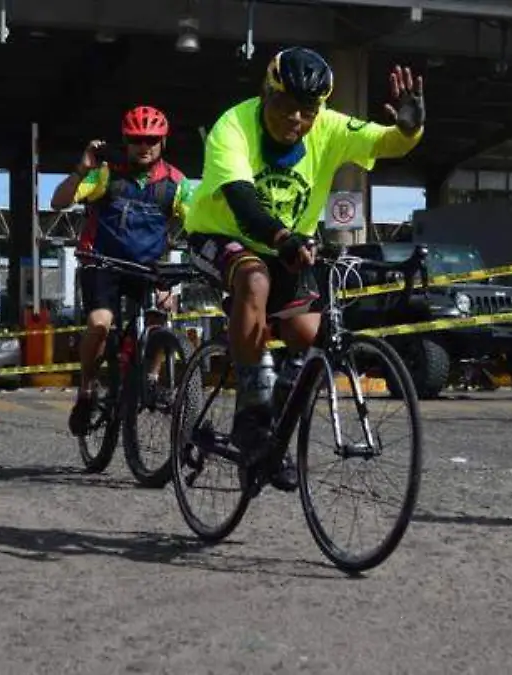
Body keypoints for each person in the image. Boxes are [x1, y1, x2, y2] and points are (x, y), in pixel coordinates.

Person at [184, 47, 425, 491]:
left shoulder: (329, 128)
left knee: (308, 337)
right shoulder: (233, 127)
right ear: (266, 94)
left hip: (287, 244)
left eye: (308, 110)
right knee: (254, 278)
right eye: (286, 104)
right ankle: (251, 416)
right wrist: (282, 238)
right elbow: (244, 206)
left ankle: (274, 439)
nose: (296, 118)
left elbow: (385, 142)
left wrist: (409, 127)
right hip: (219, 233)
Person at [51, 105, 194, 437]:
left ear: (163, 142)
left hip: (147, 266)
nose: (144, 146)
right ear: (126, 141)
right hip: (103, 263)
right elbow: (58, 202)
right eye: (136, 140)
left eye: (152, 140)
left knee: (161, 314)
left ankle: (151, 379)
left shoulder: (177, 183)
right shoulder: (105, 174)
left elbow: (198, 223)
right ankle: (86, 390)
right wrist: (81, 169)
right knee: (100, 324)